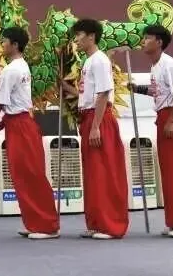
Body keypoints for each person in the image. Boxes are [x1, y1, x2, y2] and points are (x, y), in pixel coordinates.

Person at [0, 26, 60, 240]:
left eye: (4, 41)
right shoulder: (19, 66)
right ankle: (34, 222)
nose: (2, 44)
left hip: (21, 126)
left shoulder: (12, 69)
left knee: (31, 175)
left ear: (15, 44)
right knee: (22, 176)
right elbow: (5, 88)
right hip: (18, 125)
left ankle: (47, 226)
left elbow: (0, 101)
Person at [127, 23, 173, 238]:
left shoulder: (169, 64)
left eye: (148, 38)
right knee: (169, 174)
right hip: (164, 119)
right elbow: (157, 91)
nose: (143, 42)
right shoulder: (155, 67)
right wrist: (136, 88)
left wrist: (172, 121)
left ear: (159, 42)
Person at [61, 18, 129, 240]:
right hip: (89, 117)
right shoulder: (89, 61)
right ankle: (97, 222)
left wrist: (96, 127)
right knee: (93, 174)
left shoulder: (99, 60)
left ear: (91, 36)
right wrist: (65, 87)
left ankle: (111, 226)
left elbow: (103, 93)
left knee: (104, 172)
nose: (77, 40)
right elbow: (87, 94)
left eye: (80, 35)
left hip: (99, 119)